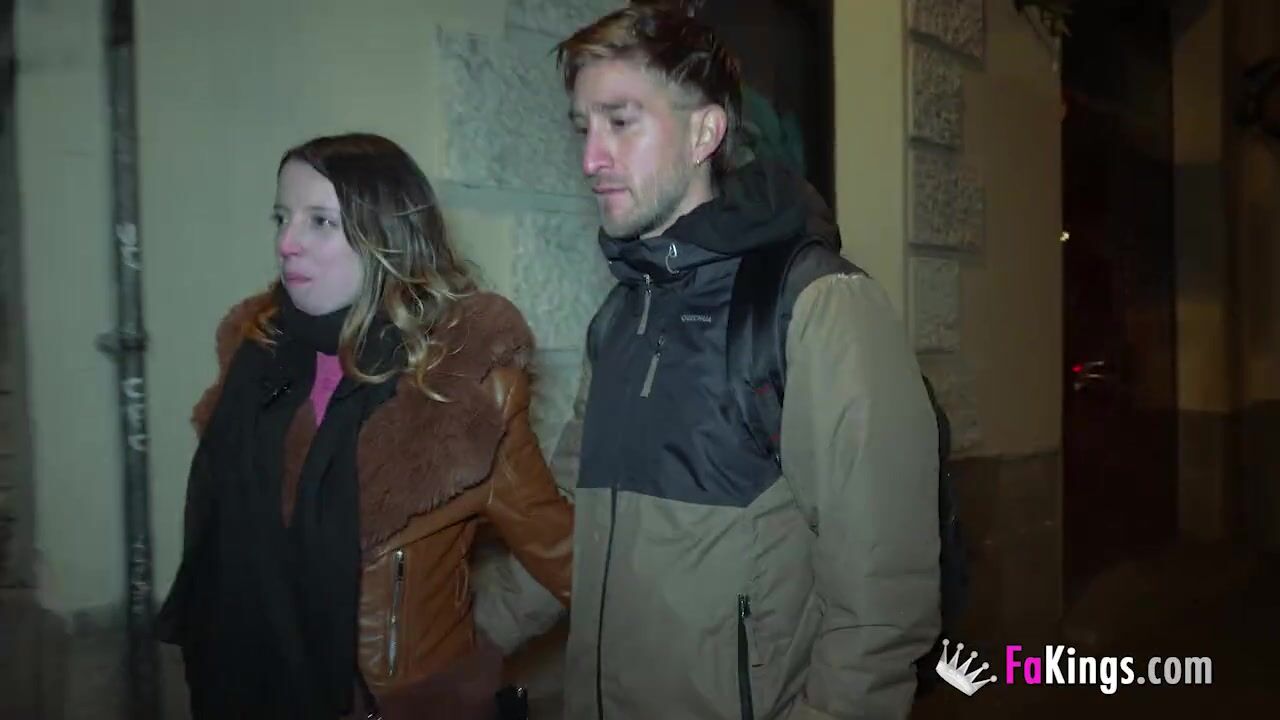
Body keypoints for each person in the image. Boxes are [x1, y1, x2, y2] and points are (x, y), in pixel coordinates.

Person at [547, 5, 942, 719]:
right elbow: (564, 518)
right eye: (584, 128)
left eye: (621, 122)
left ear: (705, 132)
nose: (591, 159)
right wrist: (464, 639)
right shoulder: (619, 318)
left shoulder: (816, 305)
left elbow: (881, 606)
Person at [155, 133, 572, 720]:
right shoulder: (257, 364)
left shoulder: (465, 393)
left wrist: (475, 643)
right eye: (281, 217)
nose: (286, 243)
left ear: (388, 239)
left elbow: (561, 553)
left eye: (320, 222)